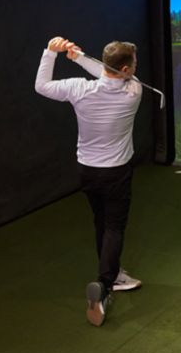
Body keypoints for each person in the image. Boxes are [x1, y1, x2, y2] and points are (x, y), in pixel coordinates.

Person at [34, 36, 143, 326]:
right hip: (117, 172)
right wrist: (80, 58)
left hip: (87, 170)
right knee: (114, 226)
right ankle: (106, 284)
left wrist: (52, 52)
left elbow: (41, 86)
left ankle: (114, 272)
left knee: (101, 221)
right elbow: (111, 75)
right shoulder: (134, 91)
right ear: (127, 68)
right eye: (134, 63)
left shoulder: (79, 88)